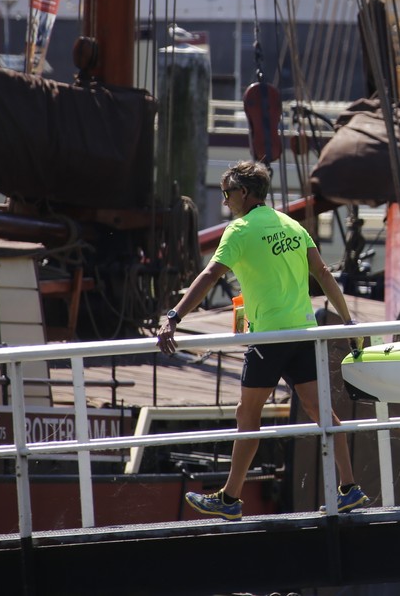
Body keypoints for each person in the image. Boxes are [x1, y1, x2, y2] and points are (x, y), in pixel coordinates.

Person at [156, 160, 369, 520]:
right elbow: (323, 273)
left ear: (243, 192)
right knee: (321, 412)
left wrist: (174, 317)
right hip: (303, 333)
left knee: (247, 414)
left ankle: (229, 498)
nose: (225, 201)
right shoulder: (291, 225)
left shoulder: (239, 230)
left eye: (227, 194)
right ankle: (350, 488)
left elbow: (209, 275)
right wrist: (348, 322)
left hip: (269, 338)